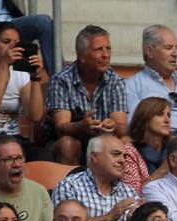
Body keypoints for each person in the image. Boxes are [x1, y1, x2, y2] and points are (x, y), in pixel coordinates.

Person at [45, 25, 127, 167]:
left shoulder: (115, 80)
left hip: (102, 139)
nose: (105, 55)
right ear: (81, 56)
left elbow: (121, 126)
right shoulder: (62, 80)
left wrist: (111, 125)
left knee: (124, 142)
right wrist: (80, 126)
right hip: (65, 140)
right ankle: (71, 188)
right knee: (68, 143)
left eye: (108, 49)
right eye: (98, 50)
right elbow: (61, 128)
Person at [123, 24, 177, 133]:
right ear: (149, 51)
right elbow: (135, 129)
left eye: (176, 48)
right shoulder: (133, 87)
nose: (175, 54)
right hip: (164, 145)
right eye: (168, 48)